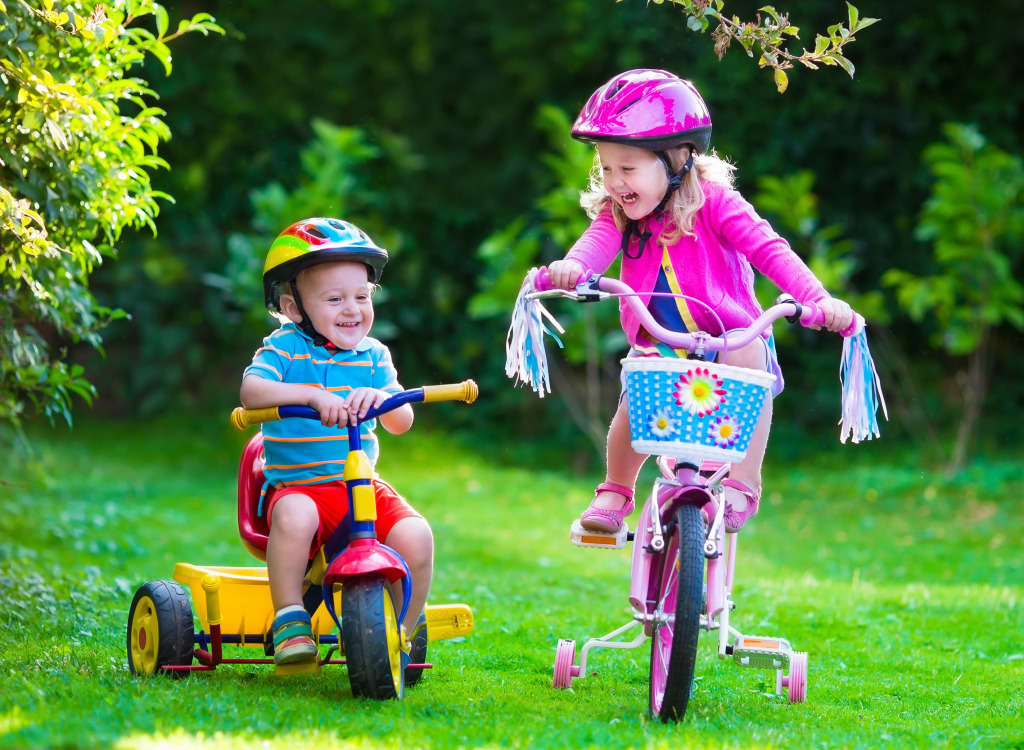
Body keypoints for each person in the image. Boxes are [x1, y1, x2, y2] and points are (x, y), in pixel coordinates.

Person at [546, 69, 854, 535]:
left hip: (731, 338)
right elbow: (594, 246)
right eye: (606, 167)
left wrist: (819, 299)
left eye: (627, 168)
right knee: (635, 399)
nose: (614, 181)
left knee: (752, 363)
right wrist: (572, 268)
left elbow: (769, 250)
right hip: (662, 341)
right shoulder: (620, 215)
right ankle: (615, 489)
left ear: (678, 160)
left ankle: (742, 483)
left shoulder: (716, 203)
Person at [240, 217, 432, 680]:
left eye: (362, 297)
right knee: (296, 517)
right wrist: (308, 394)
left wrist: (383, 399)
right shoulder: (284, 348)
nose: (352, 310)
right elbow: (252, 391)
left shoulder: (374, 355)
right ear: (293, 307)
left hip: (360, 487)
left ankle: (401, 632)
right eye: (334, 299)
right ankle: (290, 619)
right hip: (300, 487)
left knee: (417, 535)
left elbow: (401, 421)